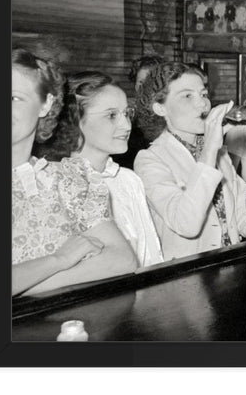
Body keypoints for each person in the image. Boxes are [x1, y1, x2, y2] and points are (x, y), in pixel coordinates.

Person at [134, 63, 246, 260]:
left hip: (230, 263)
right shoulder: (150, 159)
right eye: (187, 96)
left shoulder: (217, 151)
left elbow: (241, 211)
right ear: (160, 108)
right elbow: (186, 224)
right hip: (188, 271)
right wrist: (210, 149)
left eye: (203, 94)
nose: (203, 104)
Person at [11, 48, 137, 296]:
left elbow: (122, 260)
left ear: (45, 104)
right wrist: (59, 260)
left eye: (14, 98)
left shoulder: (69, 179)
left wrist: (21, 285)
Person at [46, 71, 163, 268]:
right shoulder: (52, 185)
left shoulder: (128, 181)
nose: (126, 125)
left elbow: (152, 256)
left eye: (127, 113)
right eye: (111, 115)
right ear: (74, 120)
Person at [114, 54, 165, 169]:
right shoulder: (125, 112)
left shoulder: (170, 113)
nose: (146, 88)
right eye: (141, 82)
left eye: (151, 82)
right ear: (135, 85)